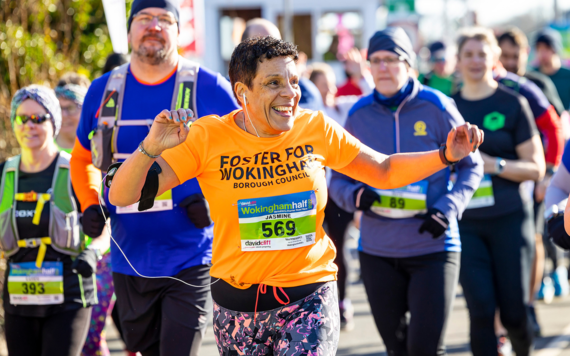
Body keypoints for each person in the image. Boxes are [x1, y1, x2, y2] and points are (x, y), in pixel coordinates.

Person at [106, 36, 483, 356]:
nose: (290, 94)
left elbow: (383, 171)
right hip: (236, 307)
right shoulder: (208, 137)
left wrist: (445, 156)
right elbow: (123, 194)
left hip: (308, 298)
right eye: (273, 83)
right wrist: (150, 148)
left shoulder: (314, 127)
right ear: (242, 92)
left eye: (294, 81)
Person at [69, 0, 239, 355]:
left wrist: (200, 193)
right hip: (127, 256)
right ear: (130, 29)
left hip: (192, 255)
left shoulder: (209, 87)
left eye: (164, 19)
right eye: (144, 18)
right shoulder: (103, 91)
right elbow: (83, 156)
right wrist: (89, 203)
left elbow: (243, 156)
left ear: (179, 31)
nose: (154, 26)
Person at [329, 27, 483, 355]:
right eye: (376, 60)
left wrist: (448, 208)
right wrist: (355, 198)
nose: (383, 68)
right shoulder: (358, 115)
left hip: (433, 247)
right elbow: (337, 180)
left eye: (392, 59)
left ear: (409, 64)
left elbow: (473, 166)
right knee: (397, 349)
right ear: (367, 66)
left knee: (424, 349)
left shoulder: (438, 106)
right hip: (378, 251)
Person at [452, 27, 545, 356]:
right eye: (469, 54)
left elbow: (536, 167)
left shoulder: (513, 103)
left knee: (514, 314)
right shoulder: (447, 109)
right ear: (458, 61)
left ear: (493, 59)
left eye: (482, 54)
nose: (476, 61)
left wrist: (494, 165)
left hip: (509, 220)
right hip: (466, 224)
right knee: (479, 311)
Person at [1, 85, 98, 355]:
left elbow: (104, 224)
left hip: (69, 294)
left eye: (38, 118)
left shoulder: (74, 170)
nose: (29, 126)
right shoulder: (4, 174)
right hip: (19, 297)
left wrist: (93, 251)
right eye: (22, 118)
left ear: (53, 122)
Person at [497, 26, 567, 330]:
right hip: (501, 178)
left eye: (516, 56)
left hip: (535, 178)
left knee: (533, 239)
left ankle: (528, 307)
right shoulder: (489, 86)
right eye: (505, 56)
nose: (510, 63)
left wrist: (548, 173)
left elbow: (557, 128)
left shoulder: (536, 84)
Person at [309, 61, 367, 331]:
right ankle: (316, 303)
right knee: (315, 249)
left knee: (340, 248)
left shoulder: (344, 108)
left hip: (341, 194)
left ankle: (343, 302)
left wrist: (360, 75)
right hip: (313, 196)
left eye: (332, 83)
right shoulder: (309, 115)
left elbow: (370, 96)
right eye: (324, 84)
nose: (330, 89)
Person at [80, 53, 130, 356]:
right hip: (100, 249)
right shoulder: (92, 125)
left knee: (134, 331)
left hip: (136, 244)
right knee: (91, 333)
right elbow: (81, 164)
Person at [241, 18, 325, 112]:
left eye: (277, 45)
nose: (271, 52)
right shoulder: (227, 91)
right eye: (262, 47)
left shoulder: (304, 90)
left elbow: (307, 120)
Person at [534, 28, 570, 111]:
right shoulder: (533, 76)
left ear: (555, 49)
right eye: (539, 49)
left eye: (547, 48)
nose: (542, 53)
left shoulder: (567, 75)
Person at [55, 72, 91, 153]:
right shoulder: (43, 149)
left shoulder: (98, 150)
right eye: (59, 108)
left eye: (71, 108)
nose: (63, 115)